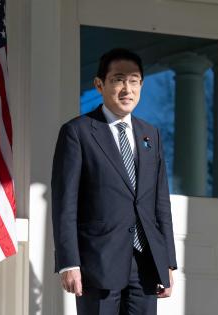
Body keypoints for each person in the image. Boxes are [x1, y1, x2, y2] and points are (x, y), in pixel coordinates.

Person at [51, 48, 177, 315]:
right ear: (100, 84)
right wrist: (68, 263)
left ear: (142, 85)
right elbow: (65, 204)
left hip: (145, 265)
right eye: (118, 79)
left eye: (134, 81)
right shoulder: (77, 132)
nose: (127, 89)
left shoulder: (150, 135)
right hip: (97, 263)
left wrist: (167, 262)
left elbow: (160, 203)